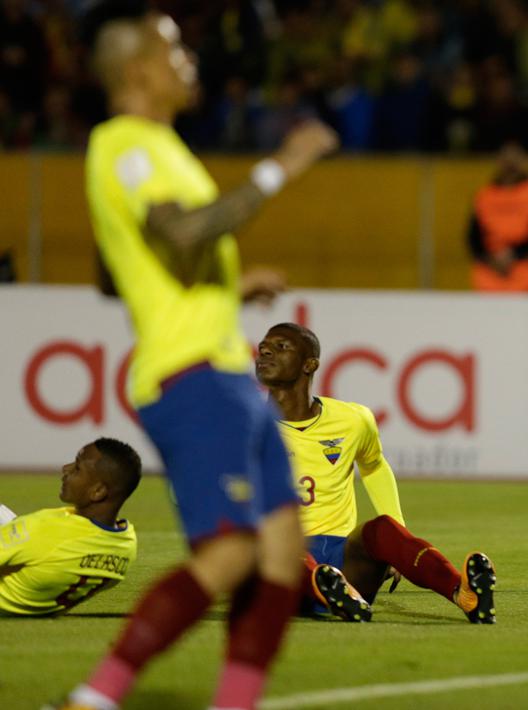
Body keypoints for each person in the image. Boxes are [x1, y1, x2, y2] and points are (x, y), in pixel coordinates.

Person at [61, 5, 338, 710]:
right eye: (173, 49)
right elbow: (181, 232)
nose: (189, 61)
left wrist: (224, 285)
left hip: (221, 366)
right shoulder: (126, 144)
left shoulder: (161, 149)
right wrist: (283, 168)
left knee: (279, 561)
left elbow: (108, 269)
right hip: (185, 373)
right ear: (137, 70)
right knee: (229, 555)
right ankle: (94, 698)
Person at [255, 323, 496, 624]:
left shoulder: (353, 420)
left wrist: (399, 539)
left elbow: (375, 466)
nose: (264, 350)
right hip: (283, 565)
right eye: (264, 345)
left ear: (310, 364)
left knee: (383, 529)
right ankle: (328, 590)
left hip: (343, 560)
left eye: (280, 346)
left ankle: (464, 594)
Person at [0, 439, 141, 617]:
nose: (66, 469)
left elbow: (45, 541)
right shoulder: (126, 543)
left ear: (97, 492)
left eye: (77, 469)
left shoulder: (47, 530)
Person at [467, 142, 528, 293]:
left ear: (526, 160)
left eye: (516, 158)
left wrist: (514, 255)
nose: (510, 163)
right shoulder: (485, 196)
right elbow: (473, 238)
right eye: (506, 158)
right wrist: (491, 259)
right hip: (490, 278)